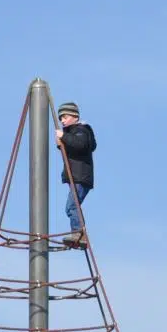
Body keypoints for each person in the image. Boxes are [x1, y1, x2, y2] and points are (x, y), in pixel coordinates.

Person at [55, 100, 96, 248]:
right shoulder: (74, 132)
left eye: (65, 117)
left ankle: (78, 233)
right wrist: (61, 143)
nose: (62, 120)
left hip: (80, 177)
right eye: (60, 118)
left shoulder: (81, 130)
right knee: (73, 206)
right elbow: (73, 149)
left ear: (74, 116)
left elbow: (80, 144)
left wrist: (64, 137)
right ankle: (79, 234)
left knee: (72, 207)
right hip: (77, 176)